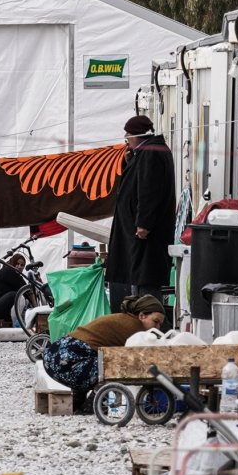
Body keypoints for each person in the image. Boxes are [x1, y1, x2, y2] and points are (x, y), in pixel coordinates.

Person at [106, 113, 177, 304]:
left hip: (147, 235)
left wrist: (143, 224)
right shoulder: (147, 152)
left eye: (128, 138)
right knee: (141, 280)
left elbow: (149, 191)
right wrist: (131, 162)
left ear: (138, 135)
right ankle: (145, 323)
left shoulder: (151, 153)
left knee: (146, 282)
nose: (127, 143)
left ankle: (153, 326)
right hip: (144, 235)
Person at [40, 294, 168, 397]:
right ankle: (98, 399)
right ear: (142, 316)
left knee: (102, 359)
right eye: (155, 322)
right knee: (121, 363)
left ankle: (81, 400)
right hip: (65, 359)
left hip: (54, 354)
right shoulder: (135, 328)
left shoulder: (124, 318)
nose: (157, 328)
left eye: (160, 325)